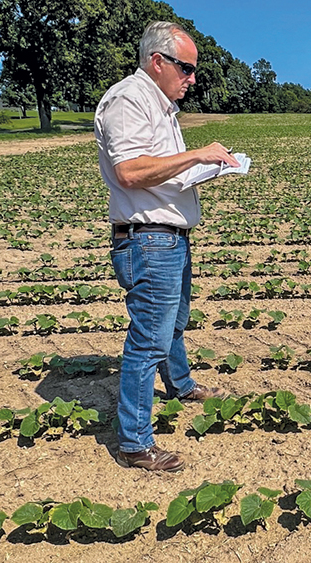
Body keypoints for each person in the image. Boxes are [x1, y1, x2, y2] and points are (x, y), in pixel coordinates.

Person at [95, 21, 241, 472]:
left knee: (174, 321)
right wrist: (198, 154)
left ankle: (179, 384)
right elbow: (131, 172)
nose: (192, 78)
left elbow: (159, 170)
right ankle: (135, 443)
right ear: (157, 62)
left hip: (169, 237)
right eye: (186, 68)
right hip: (148, 240)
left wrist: (202, 169)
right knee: (147, 341)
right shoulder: (128, 99)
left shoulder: (161, 108)